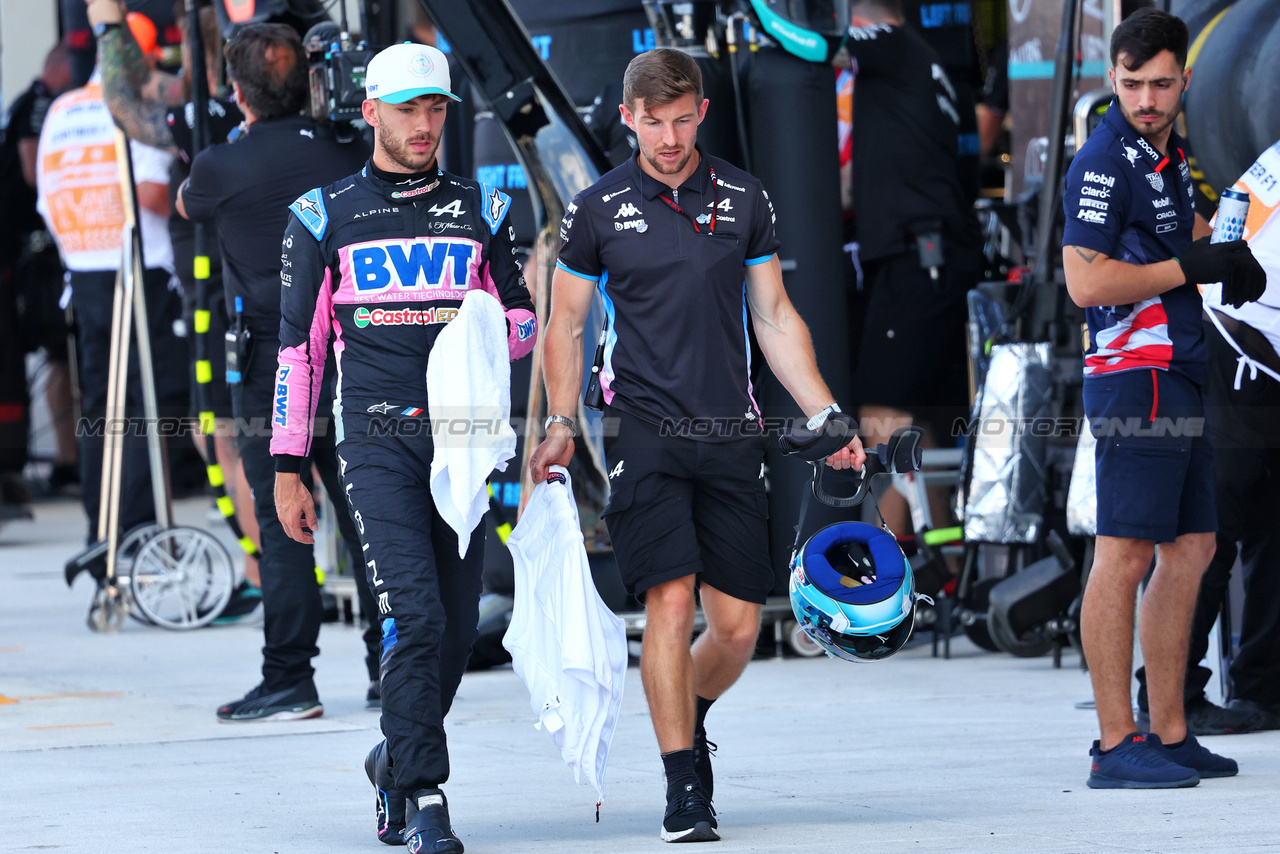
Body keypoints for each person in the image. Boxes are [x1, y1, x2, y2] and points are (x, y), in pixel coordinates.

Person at [528, 48, 863, 843]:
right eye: (653, 123)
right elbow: (566, 322)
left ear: (701, 113)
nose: (669, 138)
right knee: (669, 601)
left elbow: (775, 317)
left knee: (740, 626)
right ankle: (686, 787)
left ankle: (687, 703)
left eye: (682, 121)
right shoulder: (598, 207)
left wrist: (829, 415)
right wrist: (562, 420)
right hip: (640, 429)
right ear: (628, 117)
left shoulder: (745, 197)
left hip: (730, 430)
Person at [270, 42, 536, 850]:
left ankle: (393, 754)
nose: (425, 125)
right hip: (375, 444)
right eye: (410, 109)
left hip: (460, 442)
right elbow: (298, 353)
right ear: (371, 111)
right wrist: (287, 468)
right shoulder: (321, 215)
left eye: (437, 109)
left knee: (456, 634)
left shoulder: (483, 209)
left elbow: (522, 323)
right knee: (413, 615)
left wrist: (491, 329)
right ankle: (423, 798)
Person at [1061, 8, 1266, 788]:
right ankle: (1116, 746)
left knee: (1194, 549)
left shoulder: (1167, 153)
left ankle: (1168, 728)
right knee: (1125, 554)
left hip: (1180, 366)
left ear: (1186, 79)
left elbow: (1182, 238)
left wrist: (1228, 249)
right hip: (1133, 375)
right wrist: (1194, 268)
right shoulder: (1107, 159)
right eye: (1131, 82)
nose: (1146, 97)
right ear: (1113, 77)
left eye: (1160, 83)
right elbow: (1086, 281)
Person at [175, 22, 375, 720]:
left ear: (237, 94)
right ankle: (391, 660)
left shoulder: (219, 167)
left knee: (280, 512)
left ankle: (290, 676)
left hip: (272, 359)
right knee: (364, 506)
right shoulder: (352, 147)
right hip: (356, 351)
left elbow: (185, 207)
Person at [89, 0, 264, 617]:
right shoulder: (226, 107)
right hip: (218, 290)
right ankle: (264, 568)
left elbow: (127, 105)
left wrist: (110, 27)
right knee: (216, 432)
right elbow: (139, 87)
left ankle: (267, 571)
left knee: (237, 436)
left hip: (226, 292)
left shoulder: (217, 114)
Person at [1134, 138, 1280, 735]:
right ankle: (1171, 695)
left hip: (1248, 338)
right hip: (1239, 340)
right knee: (1210, 531)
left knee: (1270, 527)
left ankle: (1264, 688)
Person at [35, 51, 187, 550]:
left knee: (101, 403)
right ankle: (140, 529)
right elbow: (150, 194)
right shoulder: (128, 107)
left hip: (83, 270)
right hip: (138, 267)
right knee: (148, 403)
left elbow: (45, 195)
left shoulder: (62, 109)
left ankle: (100, 524)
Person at [843, 0, 983, 536]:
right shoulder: (919, 63)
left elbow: (806, 42)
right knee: (924, 426)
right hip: (935, 254)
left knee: (883, 414)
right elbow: (859, 180)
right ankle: (941, 567)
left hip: (922, 256)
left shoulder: (890, 43)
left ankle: (869, 575)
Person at [1, 43, 76, 510]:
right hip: (27, 256)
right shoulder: (39, 104)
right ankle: (67, 459)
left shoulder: (32, 102)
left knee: (62, 360)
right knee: (58, 354)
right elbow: (35, 175)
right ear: (60, 69)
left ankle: (69, 458)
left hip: (34, 253)